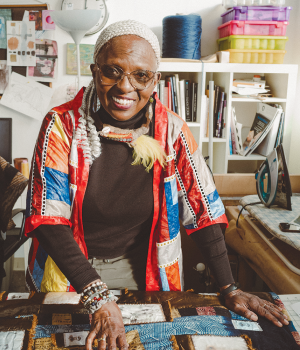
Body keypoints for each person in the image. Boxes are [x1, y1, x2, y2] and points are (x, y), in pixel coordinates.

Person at [25, 20, 288, 350]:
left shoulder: (171, 131)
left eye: (141, 76)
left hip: (143, 269)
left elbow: (202, 209)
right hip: (70, 270)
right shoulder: (60, 126)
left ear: (155, 81)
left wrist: (230, 288)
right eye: (112, 71)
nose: (125, 87)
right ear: (94, 71)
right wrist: (97, 297)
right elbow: (48, 220)